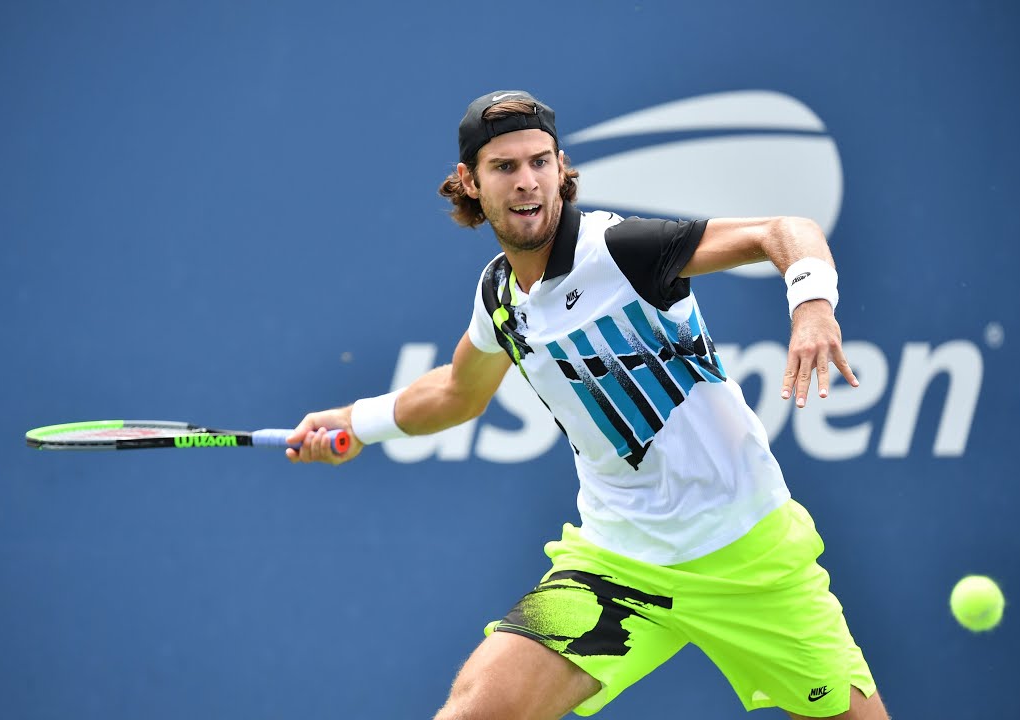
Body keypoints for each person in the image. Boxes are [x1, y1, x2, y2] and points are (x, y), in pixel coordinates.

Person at [285, 90, 890, 720]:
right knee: (477, 711)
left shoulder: (622, 250)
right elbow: (456, 392)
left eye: (540, 162)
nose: (528, 183)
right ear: (469, 182)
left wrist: (813, 305)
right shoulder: (500, 295)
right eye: (505, 168)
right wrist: (356, 423)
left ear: (560, 167)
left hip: (749, 558)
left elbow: (782, 230)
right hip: (614, 567)